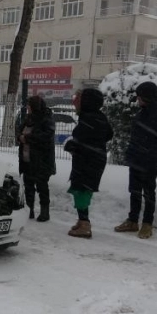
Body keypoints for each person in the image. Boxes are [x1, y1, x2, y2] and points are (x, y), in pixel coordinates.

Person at [114, 81, 157, 239]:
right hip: (136, 159)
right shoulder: (141, 113)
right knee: (134, 190)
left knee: (148, 192)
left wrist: (148, 150)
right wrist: (133, 152)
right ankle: (132, 220)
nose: (137, 99)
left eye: (140, 96)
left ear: (147, 97)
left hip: (149, 161)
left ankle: (147, 223)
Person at [63, 89, 114, 238]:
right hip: (91, 160)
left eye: (77, 98)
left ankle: (85, 225)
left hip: (88, 162)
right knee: (80, 188)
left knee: (82, 190)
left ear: (86, 101)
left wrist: (74, 146)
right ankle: (82, 220)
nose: (74, 100)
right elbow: (107, 135)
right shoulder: (95, 117)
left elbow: (87, 140)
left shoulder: (90, 119)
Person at [16, 94, 56, 221]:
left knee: (42, 186)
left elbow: (46, 136)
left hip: (41, 161)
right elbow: (19, 131)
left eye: (29, 105)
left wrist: (27, 138)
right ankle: (29, 209)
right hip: (27, 159)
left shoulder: (46, 119)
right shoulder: (29, 119)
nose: (27, 108)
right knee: (28, 186)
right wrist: (20, 137)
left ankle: (45, 212)